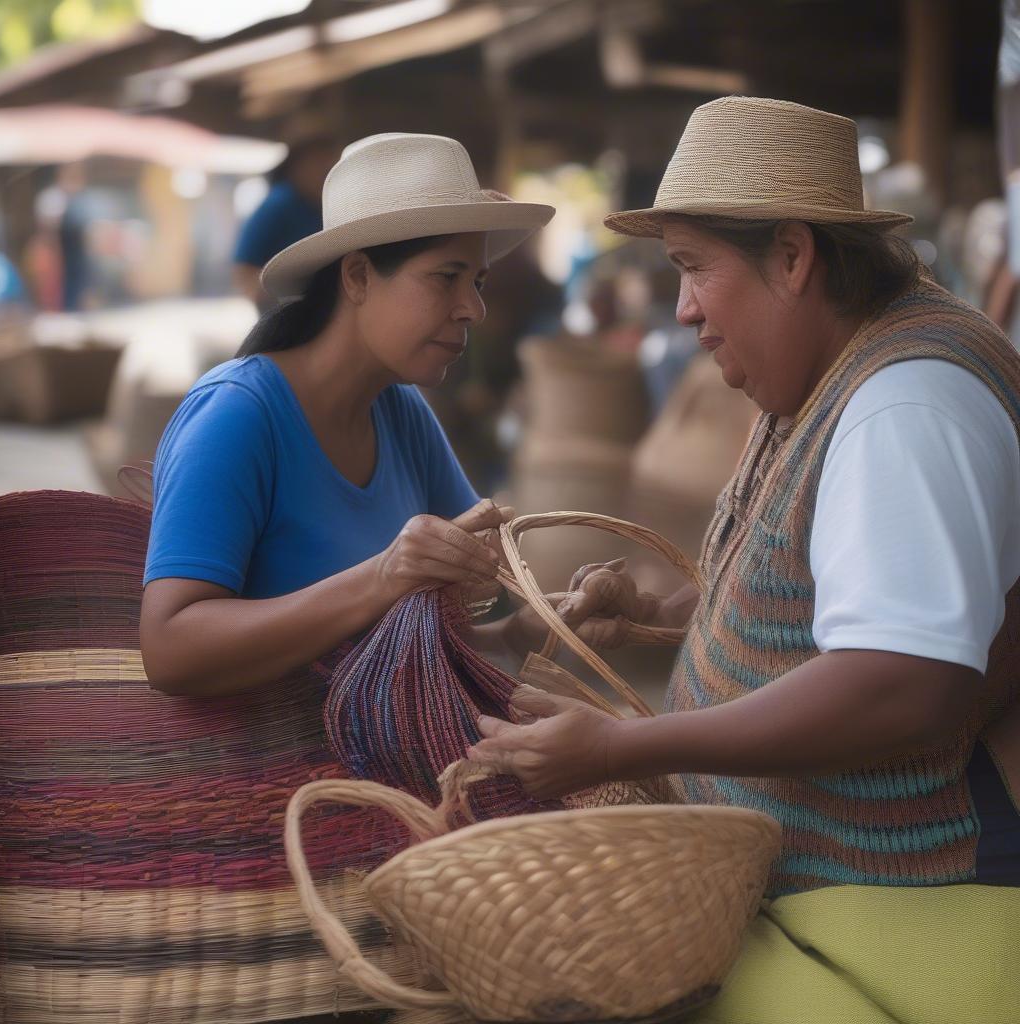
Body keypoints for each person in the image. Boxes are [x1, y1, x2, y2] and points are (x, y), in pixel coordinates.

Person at [468, 97, 1020, 1024]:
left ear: (794, 258)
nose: (682, 310)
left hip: (894, 915)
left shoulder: (905, 410)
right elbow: (840, 587)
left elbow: (903, 679)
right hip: (825, 898)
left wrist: (624, 745)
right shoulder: (836, 372)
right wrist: (667, 608)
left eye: (694, 268)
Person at [141, 132, 556, 700]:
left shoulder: (403, 413)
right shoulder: (237, 415)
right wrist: (383, 576)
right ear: (358, 276)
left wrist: (525, 630)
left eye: (477, 282)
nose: (473, 308)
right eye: (446, 277)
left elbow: (402, 650)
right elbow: (169, 650)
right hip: (269, 782)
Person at [232, 117, 336, 311]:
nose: (325, 168)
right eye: (318, 160)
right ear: (296, 165)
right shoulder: (278, 205)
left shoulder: (325, 205)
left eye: (329, 159)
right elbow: (244, 272)